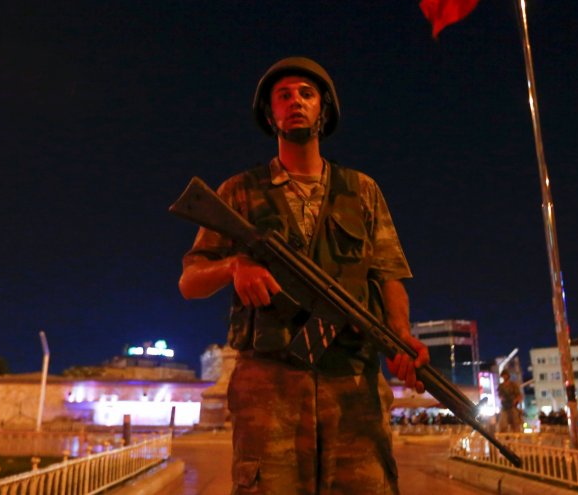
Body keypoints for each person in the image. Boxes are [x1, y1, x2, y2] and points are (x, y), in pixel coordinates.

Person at [179, 57, 429, 495]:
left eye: (306, 94)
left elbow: (389, 273)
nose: (295, 101)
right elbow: (191, 280)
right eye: (284, 95)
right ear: (270, 113)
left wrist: (400, 336)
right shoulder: (239, 190)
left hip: (353, 381)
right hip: (269, 385)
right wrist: (235, 266)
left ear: (323, 110)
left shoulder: (361, 190)